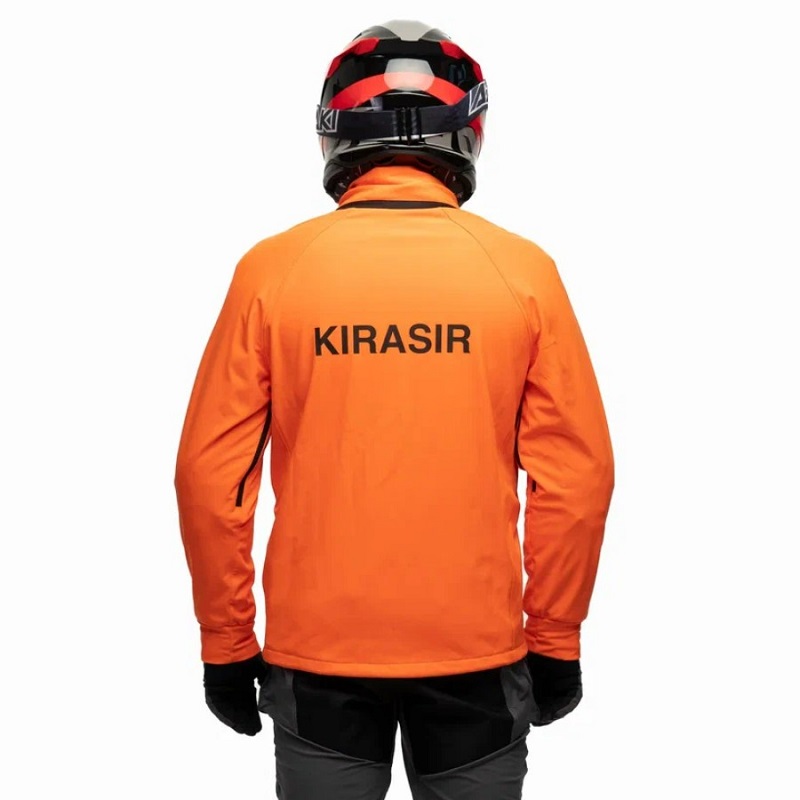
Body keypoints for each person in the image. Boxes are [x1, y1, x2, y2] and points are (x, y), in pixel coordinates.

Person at [175, 19, 614, 800]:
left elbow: (211, 478)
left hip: (318, 655)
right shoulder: (522, 273)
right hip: (477, 653)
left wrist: (225, 642)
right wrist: (554, 637)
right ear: (469, 130)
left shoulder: (273, 271)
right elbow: (576, 479)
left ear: (334, 131)